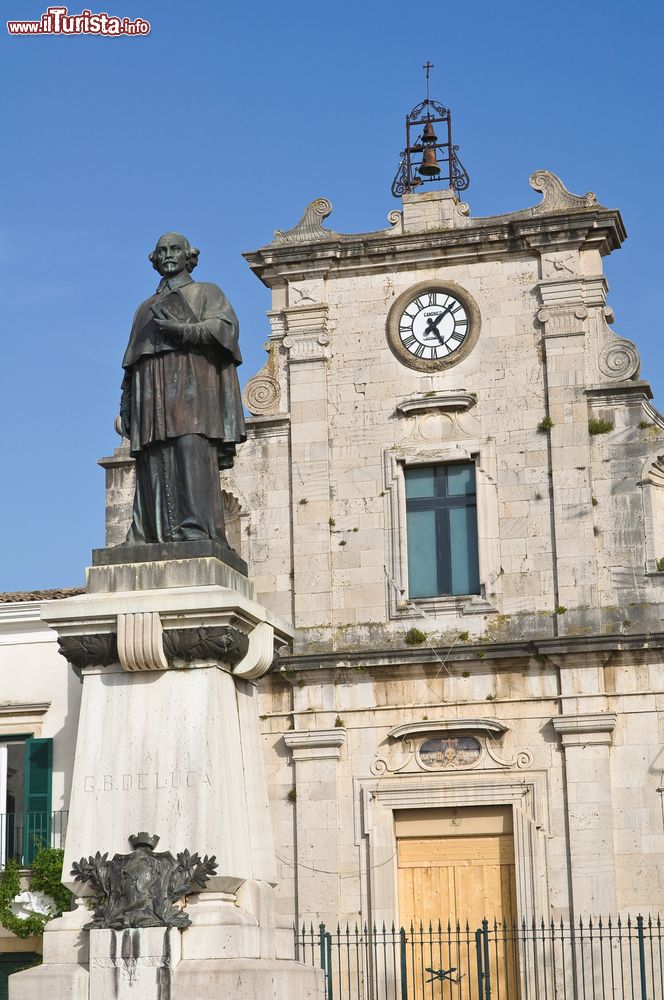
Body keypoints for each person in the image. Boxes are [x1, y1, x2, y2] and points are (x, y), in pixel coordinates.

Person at [119, 232, 245, 545]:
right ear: (154, 259)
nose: (169, 255)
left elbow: (226, 330)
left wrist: (185, 331)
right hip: (152, 393)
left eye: (175, 249)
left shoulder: (206, 292)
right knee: (151, 457)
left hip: (193, 391)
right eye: (162, 251)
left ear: (189, 255)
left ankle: (196, 529)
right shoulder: (144, 309)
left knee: (190, 451)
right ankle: (146, 532)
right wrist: (126, 406)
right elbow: (132, 365)